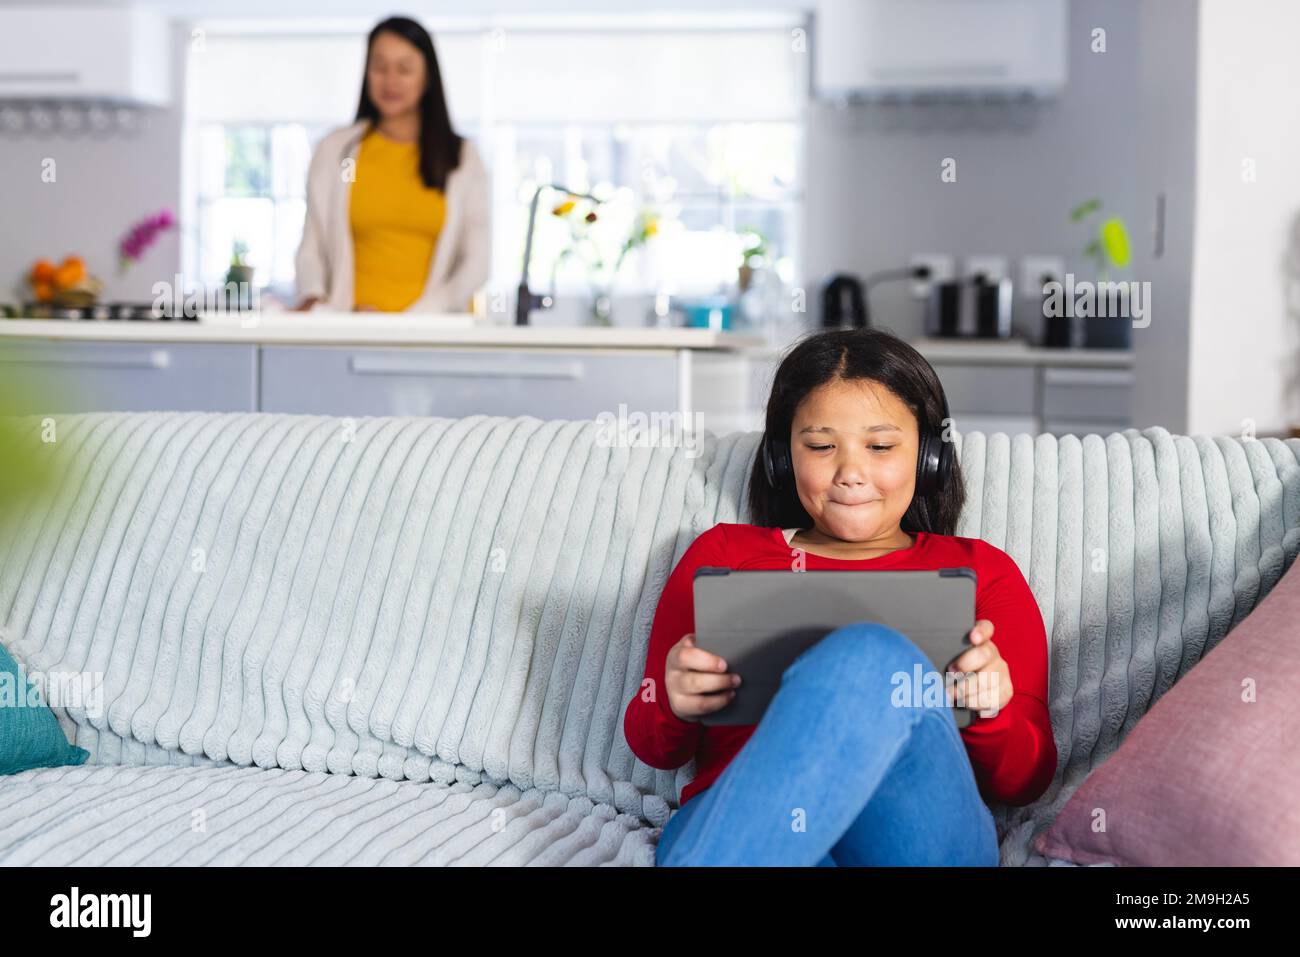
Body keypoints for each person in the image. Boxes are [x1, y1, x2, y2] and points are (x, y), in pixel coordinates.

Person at [624, 327, 1058, 866]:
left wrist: (991, 711)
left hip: (916, 837)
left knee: (871, 657)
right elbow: (652, 747)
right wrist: (672, 699)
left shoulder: (982, 572)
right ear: (784, 459)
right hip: (747, 822)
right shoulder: (723, 554)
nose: (851, 473)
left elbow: (1027, 779)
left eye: (880, 446)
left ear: (927, 458)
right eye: (822, 446)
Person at [293, 16, 489, 314]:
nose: (390, 80)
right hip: (346, 327)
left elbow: (476, 263)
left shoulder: (462, 158)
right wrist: (314, 297)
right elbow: (312, 245)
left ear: (427, 77)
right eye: (380, 67)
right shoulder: (336, 151)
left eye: (405, 69)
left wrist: (417, 317)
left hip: (430, 333)